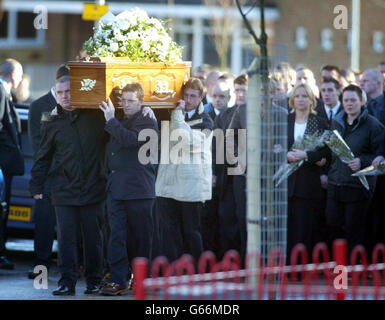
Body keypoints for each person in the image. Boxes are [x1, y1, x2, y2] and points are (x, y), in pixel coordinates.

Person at [29, 75, 106, 295]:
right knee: (66, 239)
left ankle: (93, 281)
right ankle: (67, 282)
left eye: (69, 92)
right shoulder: (51, 122)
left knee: (94, 239)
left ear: (79, 92)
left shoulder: (96, 116)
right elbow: (43, 156)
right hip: (63, 189)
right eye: (60, 92)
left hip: (94, 187)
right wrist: (36, 186)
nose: (65, 97)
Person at [98, 83, 158, 296]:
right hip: (117, 189)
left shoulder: (147, 120)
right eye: (123, 100)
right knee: (117, 236)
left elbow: (130, 140)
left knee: (141, 238)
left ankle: (141, 278)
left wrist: (111, 120)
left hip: (140, 189)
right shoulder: (119, 118)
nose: (126, 104)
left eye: (131, 100)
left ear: (142, 102)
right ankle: (117, 280)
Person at [156, 78, 214, 263]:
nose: (188, 100)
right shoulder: (172, 113)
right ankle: (172, 274)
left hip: (191, 186)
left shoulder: (206, 120)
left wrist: (177, 115)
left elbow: (184, 140)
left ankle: (196, 275)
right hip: (169, 182)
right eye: (185, 95)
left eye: (192, 96)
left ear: (201, 97)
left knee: (192, 233)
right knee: (169, 233)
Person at [326, 84, 384, 262]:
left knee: (354, 230)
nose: (349, 104)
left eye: (353, 100)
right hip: (335, 184)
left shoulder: (373, 125)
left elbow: (380, 154)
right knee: (333, 228)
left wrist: (362, 161)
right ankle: (339, 273)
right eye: (346, 101)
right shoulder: (336, 122)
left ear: (362, 102)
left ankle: (351, 271)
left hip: (358, 187)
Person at [27, 64, 69, 279]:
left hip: (70, 175)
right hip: (48, 174)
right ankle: (41, 266)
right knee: (44, 222)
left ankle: (70, 267)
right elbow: (38, 144)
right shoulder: (39, 106)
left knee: (69, 224)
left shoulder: (75, 104)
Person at [286, 83, 329, 262]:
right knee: (287, 227)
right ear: (292, 100)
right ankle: (287, 266)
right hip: (286, 183)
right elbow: (273, 147)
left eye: (304, 96)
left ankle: (302, 266)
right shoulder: (285, 120)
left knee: (305, 227)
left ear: (311, 100)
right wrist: (285, 154)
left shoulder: (319, 122)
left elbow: (327, 153)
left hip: (308, 184)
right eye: (297, 96)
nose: (301, 99)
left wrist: (307, 155)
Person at [0, 58, 24, 270]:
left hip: (5, 165)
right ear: (15, 76)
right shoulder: (0, 90)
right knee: (1, 209)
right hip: (2, 165)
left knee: (4, 209)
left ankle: (1, 252)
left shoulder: (7, 93)